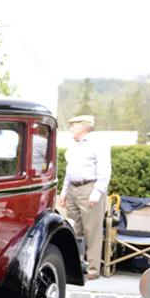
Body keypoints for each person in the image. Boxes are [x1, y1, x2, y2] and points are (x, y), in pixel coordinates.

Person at [58, 114, 111, 279]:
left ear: (83, 126)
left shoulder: (98, 144)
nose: (71, 128)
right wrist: (64, 191)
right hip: (74, 189)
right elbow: (69, 171)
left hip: (89, 188)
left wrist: (96, 193)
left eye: (73, 125)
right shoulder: (74, 146)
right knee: (74, 229)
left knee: (92, 231)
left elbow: (104, 170)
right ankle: (77, 267)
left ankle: (93, 271)